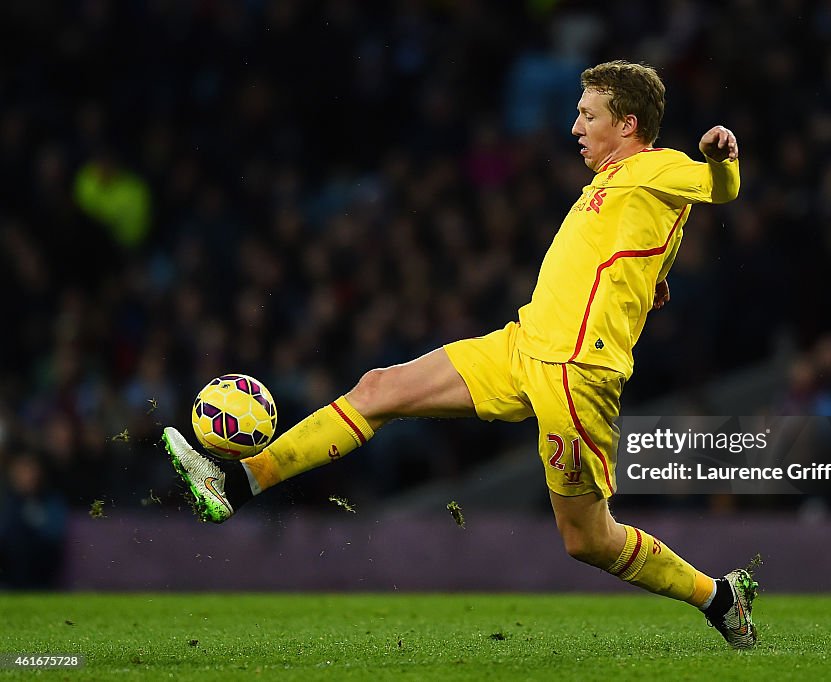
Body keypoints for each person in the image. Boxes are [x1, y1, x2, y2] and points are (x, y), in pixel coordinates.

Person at [164, 60, 759, 648]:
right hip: (523, 345)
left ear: (627, 125)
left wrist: (720, 155)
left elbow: (718, 190)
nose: (575, 126)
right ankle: (239, 482)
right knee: (378, 389)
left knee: (586, 540)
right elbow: (655, 241)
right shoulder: (612, 185)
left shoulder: (657, 167)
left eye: (587, 115)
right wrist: (655, 276)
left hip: (575, 373)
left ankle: (718, 597)